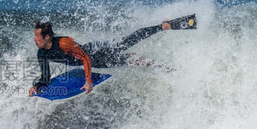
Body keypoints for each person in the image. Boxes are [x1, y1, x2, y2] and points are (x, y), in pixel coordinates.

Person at [28, 19, 172, 96]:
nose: (34, 39)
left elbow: (85, 58)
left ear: (47, 37)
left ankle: (163, 26)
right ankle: (161, 66)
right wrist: (36, 87)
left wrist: (88, 82)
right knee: (128, 61)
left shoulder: (64, 43)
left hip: (96, 51)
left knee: (128, 41)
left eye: (36, 36)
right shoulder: (42, 53)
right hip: (96, 61)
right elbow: (46, 77)